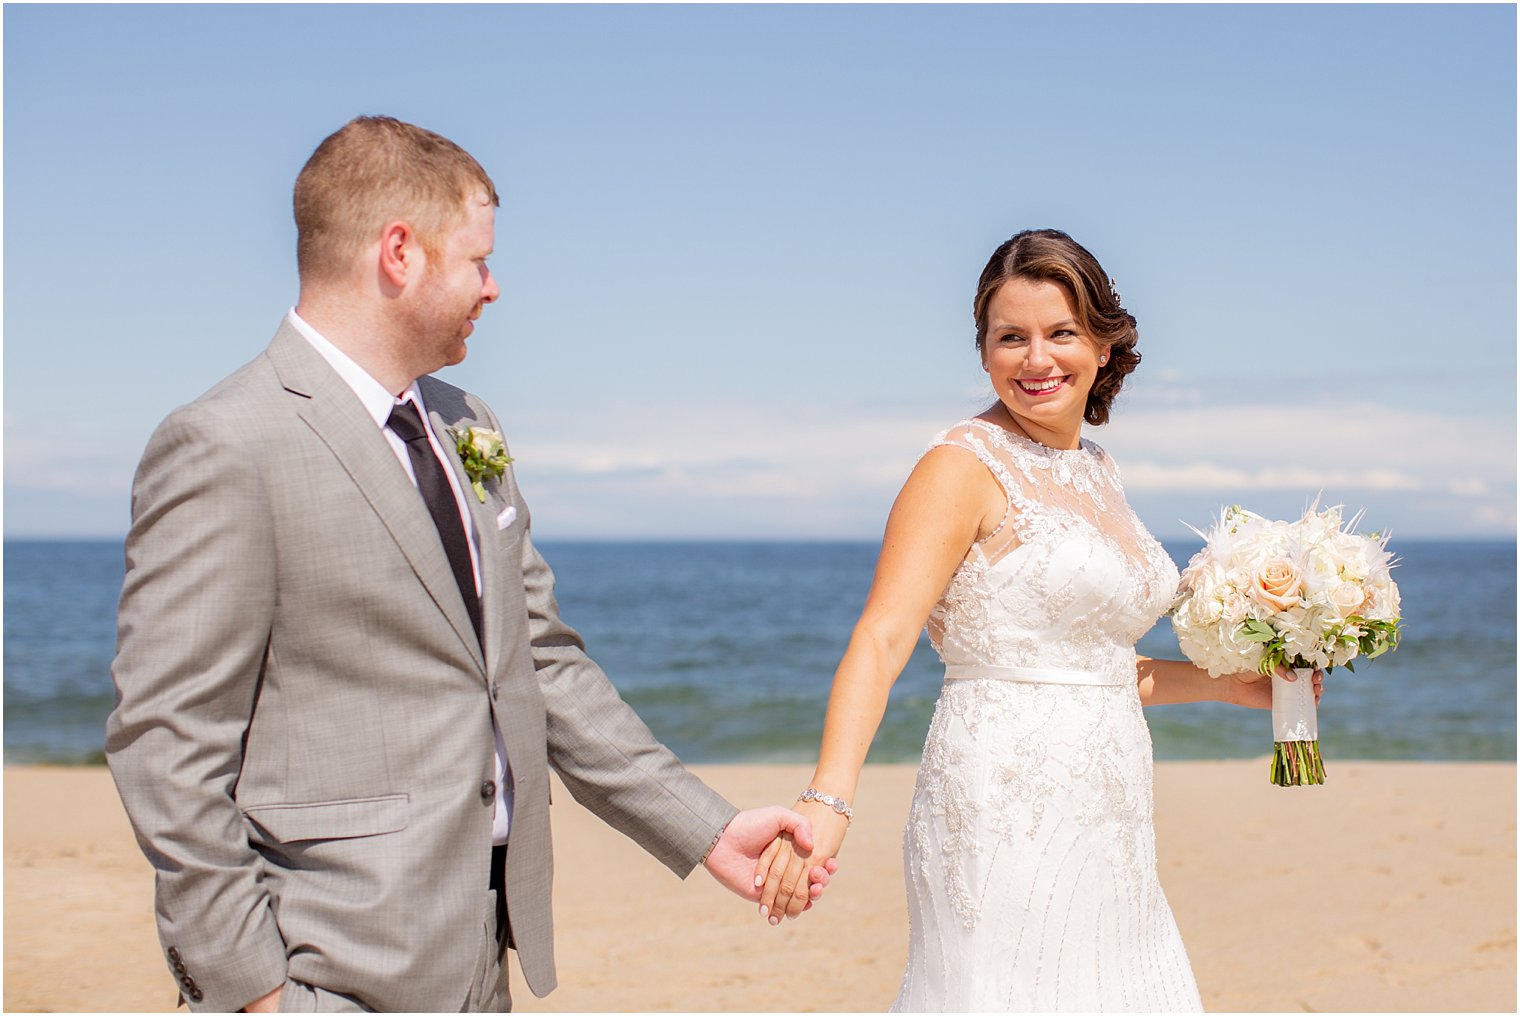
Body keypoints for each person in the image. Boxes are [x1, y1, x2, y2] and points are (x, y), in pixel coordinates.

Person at [105, 115, 832, 1014]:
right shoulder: (225, 442)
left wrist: (707, 829)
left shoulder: (467, 422)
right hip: (324, 968)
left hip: (479, 957)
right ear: (399, 253)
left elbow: (538, 663)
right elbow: (167, 744)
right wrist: (253, 990)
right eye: (478, 260)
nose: (495, 287)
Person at [754, 229, 1324, 1010]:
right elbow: (883, 637)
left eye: (1060, 333)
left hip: (1113, 809)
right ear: (984, 350)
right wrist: (829, 795)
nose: (1035, 359)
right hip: (1000, 805)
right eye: (1009, 338)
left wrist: (1233, 686)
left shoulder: (1098, 471)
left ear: (1102, 344)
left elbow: (1090, 665)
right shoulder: (960, 466)